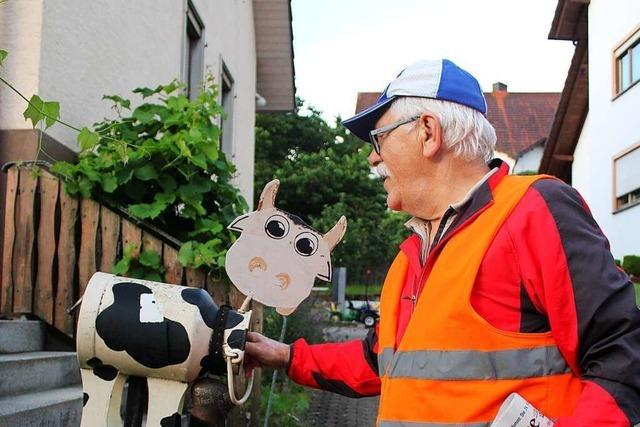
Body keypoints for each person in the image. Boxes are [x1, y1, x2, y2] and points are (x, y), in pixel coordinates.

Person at [244, 59, 640, 426]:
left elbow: (622, 356)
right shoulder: (410, 256)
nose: (371, 158)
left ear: (429, 133)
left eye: (378, 139)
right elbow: (377, 361)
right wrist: (283, 355)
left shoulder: (533, 211)